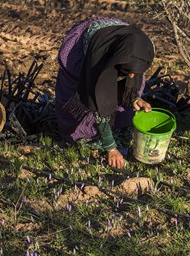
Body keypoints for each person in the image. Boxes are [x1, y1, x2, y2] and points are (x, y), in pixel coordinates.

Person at [55, 18, 155, 168]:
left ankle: (116, 131)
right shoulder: (98, 59)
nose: (132, 76)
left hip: (119, 45)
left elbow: (132, 73)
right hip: (90, 48)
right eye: (129, 71)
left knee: (133, 82)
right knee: (86, 96)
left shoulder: (139, 49)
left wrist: (134, 97)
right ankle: (87, 137)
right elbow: (98, 99)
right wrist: (111, 148)